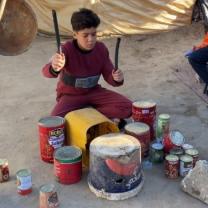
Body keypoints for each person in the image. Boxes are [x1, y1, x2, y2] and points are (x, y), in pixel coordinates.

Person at [42, 8, 132, 125]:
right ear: (75, 34)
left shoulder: (101, 49)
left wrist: (116, 78)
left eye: (93, 34)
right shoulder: (65, 49)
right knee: (56, 122)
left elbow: (109, 75)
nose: (91, 40)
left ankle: (87, 114)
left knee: (128, 107)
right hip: (70, 96)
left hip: (94, 92)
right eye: (85, 35)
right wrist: (54, 67)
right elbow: (45, 71)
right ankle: (99, 117)